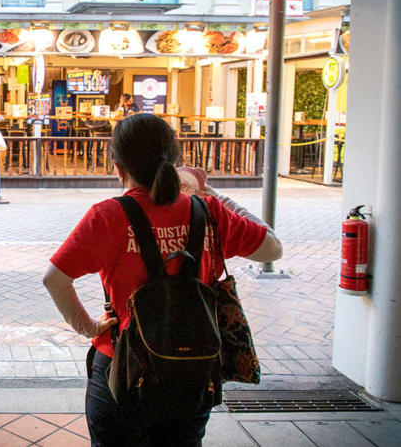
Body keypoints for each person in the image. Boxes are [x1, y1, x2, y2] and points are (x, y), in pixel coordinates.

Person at [42, 113, 282, 446]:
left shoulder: (108, 216)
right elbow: (273, 249)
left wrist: (88, 327)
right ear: (176, 162)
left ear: (118, 167)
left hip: (122, 368)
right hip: (195, 370)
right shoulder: (210, 211)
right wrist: (215, 195)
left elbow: (55, 280)